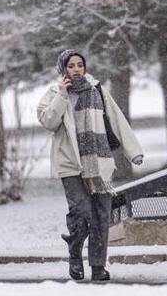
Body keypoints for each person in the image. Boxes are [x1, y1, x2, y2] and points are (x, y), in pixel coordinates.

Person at [37, 49, 144, 282]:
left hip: (99, 162)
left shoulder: (97, 90)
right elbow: (49, 121)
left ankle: (98, 266)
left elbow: (117, 120)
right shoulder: (54, 93)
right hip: (70, 163)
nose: (76, 69)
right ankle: (75, 254)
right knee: (82, 212)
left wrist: (133, 151)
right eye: (71, 65)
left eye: (80, 65)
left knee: (101, 215)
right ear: (63, 69)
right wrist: (62, 95)